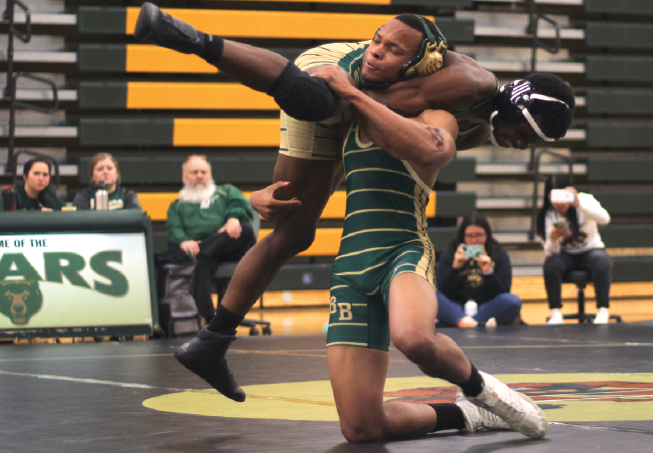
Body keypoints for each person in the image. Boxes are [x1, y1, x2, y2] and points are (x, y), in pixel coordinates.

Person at [136, 3, 574, 401]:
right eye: (524, 133)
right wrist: (336, 127)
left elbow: (372, 131)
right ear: (517, 104)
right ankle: (191, 38)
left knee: (293, 230)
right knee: (323, 103)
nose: (519, 145)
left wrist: (305, 185)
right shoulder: (471, 84)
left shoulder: (478, 128)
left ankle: (211, 343)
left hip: (362, 111)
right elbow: (369, 104)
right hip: (337, 75)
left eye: (528, 145)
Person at [315, 63, 546, 441]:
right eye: (377, 42)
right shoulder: (354, 113)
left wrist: (352, 93)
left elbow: (429, 147)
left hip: (402, 250)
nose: (378, 53)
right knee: (360, 426)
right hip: (350, 267)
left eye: (392, 48)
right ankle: (468, 414)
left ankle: (488, 394)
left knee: (414, 338)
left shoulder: (437, 117)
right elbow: (322, 169)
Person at [163, 155, 256, 322]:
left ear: (210, 174)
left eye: (203, 172)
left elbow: (240, 205)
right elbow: (174, 230)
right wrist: (184, 240)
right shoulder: (176, 205)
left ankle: (205, 248)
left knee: (247, 230)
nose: (199, 175)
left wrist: (233, 218)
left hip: (229, 246)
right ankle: (209, 317)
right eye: (194, 172)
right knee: (203, 260)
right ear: (185, 176)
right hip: (201, 254)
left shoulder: (225, 191)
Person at [537, 175, 613, 325]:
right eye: (555, 197)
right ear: (548, 196)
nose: (560, 203)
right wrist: (553, 239)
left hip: (590, 250)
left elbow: (605, 219)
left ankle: (603, 309)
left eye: (564, 196)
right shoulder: (548, 214)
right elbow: (549, 252)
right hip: (566, 256)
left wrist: (579, 204)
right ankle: (555, 312)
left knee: (601, 260)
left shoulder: (585, 200)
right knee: (551, 264)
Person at [435, 212, 522, 328]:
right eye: (469, 236)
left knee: (513, 301)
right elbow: (443, 292)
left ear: (487, 235)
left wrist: (488, 272)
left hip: (486, 307)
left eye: (479, 235)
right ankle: (476, 324)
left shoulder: (499, 255)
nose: (474, 240)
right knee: (432, 296)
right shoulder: (450, 254)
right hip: (457, 306)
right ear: (462, 236)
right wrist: (455, 269)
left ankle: (464, 323)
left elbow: (504, 291)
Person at [73, 153, 142, 210]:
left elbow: (135, 219)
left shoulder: (128, 195)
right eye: (100, 169)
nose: (105, 172)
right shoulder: (83, 196)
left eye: (109, 168)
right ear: (92, 176)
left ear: (117, 173)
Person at [0, 158, 64, 211]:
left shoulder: (50, 191)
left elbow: (63, 211)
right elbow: (1, 214)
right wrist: (37, 214)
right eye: (36, 174)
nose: (41, 178)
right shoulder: (11, 191)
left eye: (45, 174)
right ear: (25, 177)